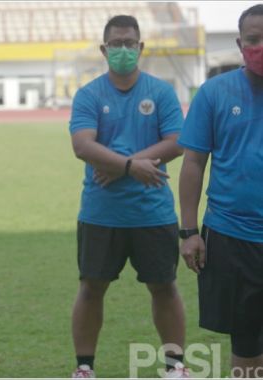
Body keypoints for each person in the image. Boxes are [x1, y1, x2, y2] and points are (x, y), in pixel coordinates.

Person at [68, 15, 188, 378]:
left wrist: (123, 164)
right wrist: (130, 166)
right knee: (91, 288)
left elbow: (176, 142)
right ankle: (85, 367)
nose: (123, 50)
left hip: (153, 212)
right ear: (104, 50)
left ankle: (175, 365)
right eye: (116, 44)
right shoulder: (89, 94)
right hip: (101, 212)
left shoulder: (161, 92)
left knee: (164, 287)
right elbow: (82, 145)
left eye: (129, 43)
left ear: (141, 47)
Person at [178, 4, 263, 378]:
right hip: (233, 236)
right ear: (239, 43)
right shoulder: (214, 93)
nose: (260, 46)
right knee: (246, 343)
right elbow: (193, 163)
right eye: (254, 40)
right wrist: (190, 231)